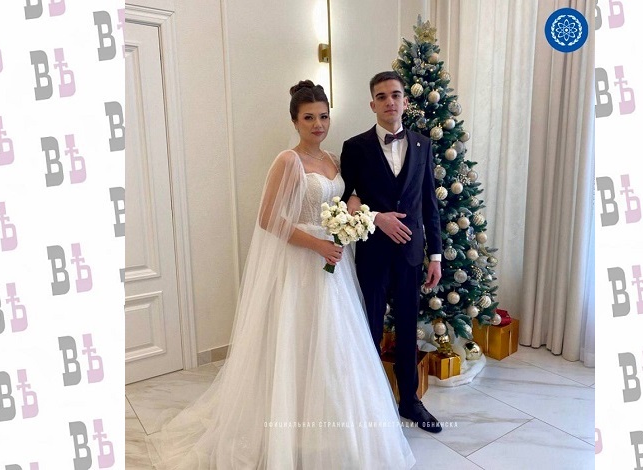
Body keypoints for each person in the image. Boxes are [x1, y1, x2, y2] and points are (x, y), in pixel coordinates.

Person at [147, 81, 415, 469]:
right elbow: (269, 218)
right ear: (295, 121)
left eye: (323, 116)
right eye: (309, 118)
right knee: (297, 340)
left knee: (335, 344)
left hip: (334, 264)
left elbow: (347, 197)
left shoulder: (333, 160)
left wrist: (353, 217)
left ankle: (333, 431)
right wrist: (318, 244)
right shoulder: (288, 161)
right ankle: (289, 431)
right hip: (301, 262)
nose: (318, 124)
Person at [341, 71, 444, 433]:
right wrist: (376, 218)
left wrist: (435, 256)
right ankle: (370, 402)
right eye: (382, 96)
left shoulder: (422, 144)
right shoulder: (355, 147)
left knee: (407, 328)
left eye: (395, 95)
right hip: (372, 253)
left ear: (405, 101)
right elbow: (345, 200)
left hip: (411, 255)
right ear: (372, 104)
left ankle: (410, 401)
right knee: (369, 327)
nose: (389, 101)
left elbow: (429, 203)